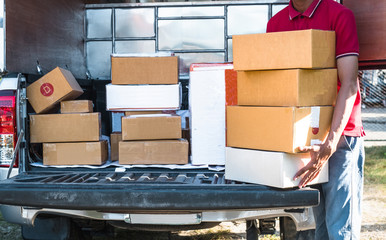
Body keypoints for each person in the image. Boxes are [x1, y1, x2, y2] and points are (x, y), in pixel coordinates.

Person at [266, 0, 365, 239]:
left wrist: (330, 142)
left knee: (340, 231)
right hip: (302, 141)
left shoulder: (339, 15)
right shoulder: (275, 24)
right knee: (317, 231)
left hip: (340, 137)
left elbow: (350, 84)